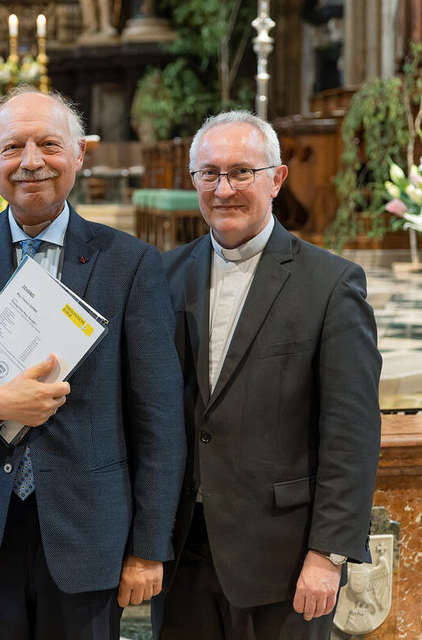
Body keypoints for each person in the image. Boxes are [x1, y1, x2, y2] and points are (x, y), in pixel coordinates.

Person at [0, 86, 185, 640]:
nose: (31, 161)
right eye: (12, 147)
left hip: (89, 531)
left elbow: (159, 418)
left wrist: (148, 547)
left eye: (49, 144)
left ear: (79, 154)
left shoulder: (129, 263)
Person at [153, 110, 381, 639]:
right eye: (209, 174)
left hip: (284, 558)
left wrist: (327, 554)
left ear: (276, 179)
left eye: (241, 172)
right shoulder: (162, 277)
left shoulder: (330, 284)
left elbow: (351, 432)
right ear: (193, 181)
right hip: (182, 552)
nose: (224, 189)